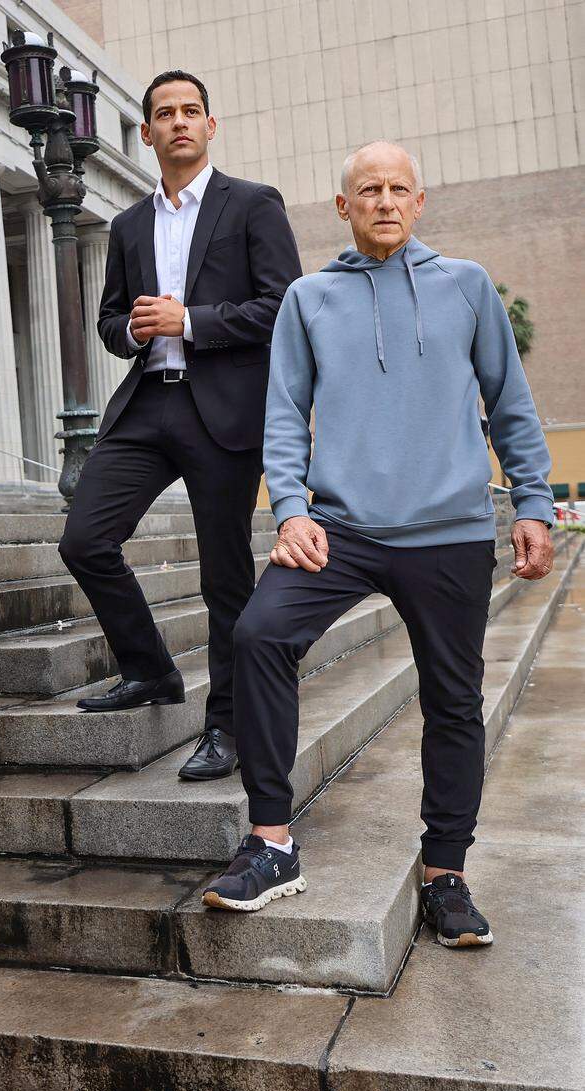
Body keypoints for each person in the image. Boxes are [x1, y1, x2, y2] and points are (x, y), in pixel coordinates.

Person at [201, 141, 555, 949]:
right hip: (344, 528)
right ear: (343, 206)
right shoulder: (309, 298)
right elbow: (284, 415)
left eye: (399, 189)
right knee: (259, 633)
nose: (385, 201)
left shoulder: (465, 286)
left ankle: (447, 873)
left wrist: (533, 502)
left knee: (455, 700)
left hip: (452, 530)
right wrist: (290, 509)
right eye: (369, 189)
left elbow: (510, 403)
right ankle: (271, 844)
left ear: (420, 201)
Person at [57, 69, 301, 784]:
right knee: (85, 538)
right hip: (148, 404)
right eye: (165, 113)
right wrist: (131, 331)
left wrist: (189, 322)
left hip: (223, 408)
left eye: (191, 111)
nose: (179, 122)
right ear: (149, 133)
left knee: (226, 579)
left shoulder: (252, 204)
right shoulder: (130, 225)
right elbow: (107, 320)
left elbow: (283, 304)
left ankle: (225, 725)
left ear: (210, 125)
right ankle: (152, 671)